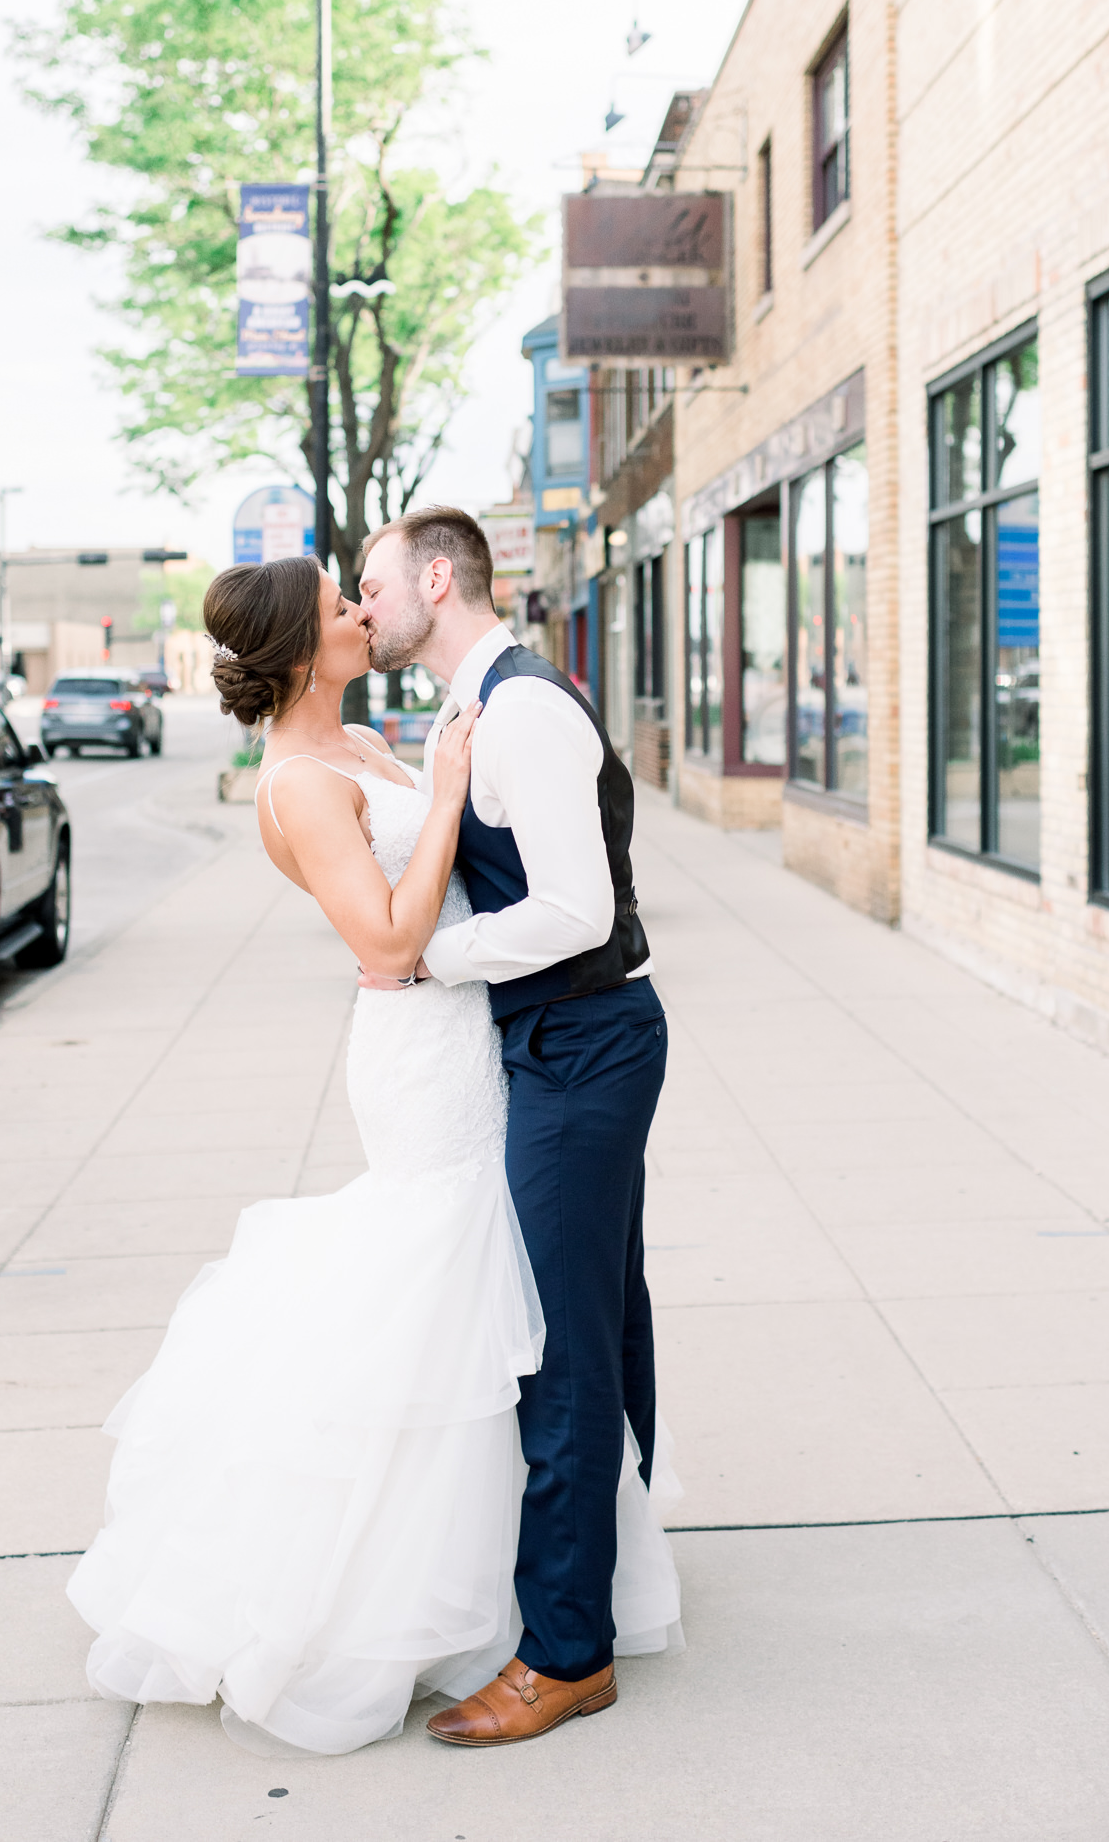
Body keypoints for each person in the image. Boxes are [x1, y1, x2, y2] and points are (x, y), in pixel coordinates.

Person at [66, 553, 679, 1758]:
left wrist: (442, 775)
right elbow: (394, 939)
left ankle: (545, 1598)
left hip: (491, 1034)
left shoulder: (371, 743)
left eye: (365, 592)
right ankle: (465, 1607)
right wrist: (446, 791)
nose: (360, 613)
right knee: (457, 1299)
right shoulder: (296, 780)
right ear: (303, 644)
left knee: (526, 1307)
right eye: (340, 604)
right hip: (427, 1053)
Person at [357, 506, 677, 1749]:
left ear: (437, 579)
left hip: (584, 1044)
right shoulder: (467, 708)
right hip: (562, 1045)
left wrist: (438, 957)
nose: (363, 604)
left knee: (561, 1347)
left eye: (374, 584)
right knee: (602, 1317)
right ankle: (619, 1584)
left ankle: (564, 1654)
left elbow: (575, 909)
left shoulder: (526, 711)